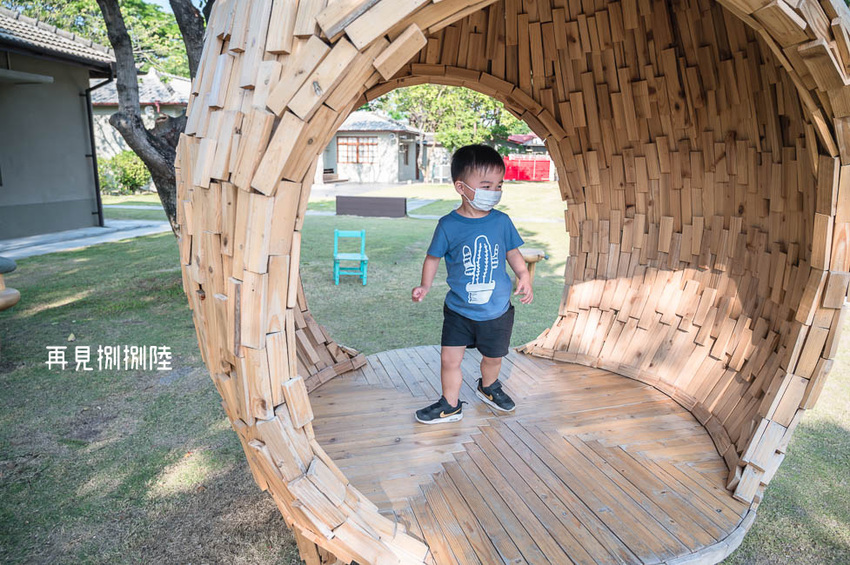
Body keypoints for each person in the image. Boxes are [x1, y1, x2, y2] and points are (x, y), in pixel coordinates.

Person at [411, 144, 533, 424]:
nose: (495, 192)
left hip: (497, 310)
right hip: (459, 310)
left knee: (493, 358)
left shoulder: (502, 221)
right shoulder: (448, 225)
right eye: (487, 186)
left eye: (499, 185)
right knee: (449, 360)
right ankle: (450, 405)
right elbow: (433, 258)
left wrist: (523, 274)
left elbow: (512, 252)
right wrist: (425, 286)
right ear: (461, 187)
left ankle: (488, 387)